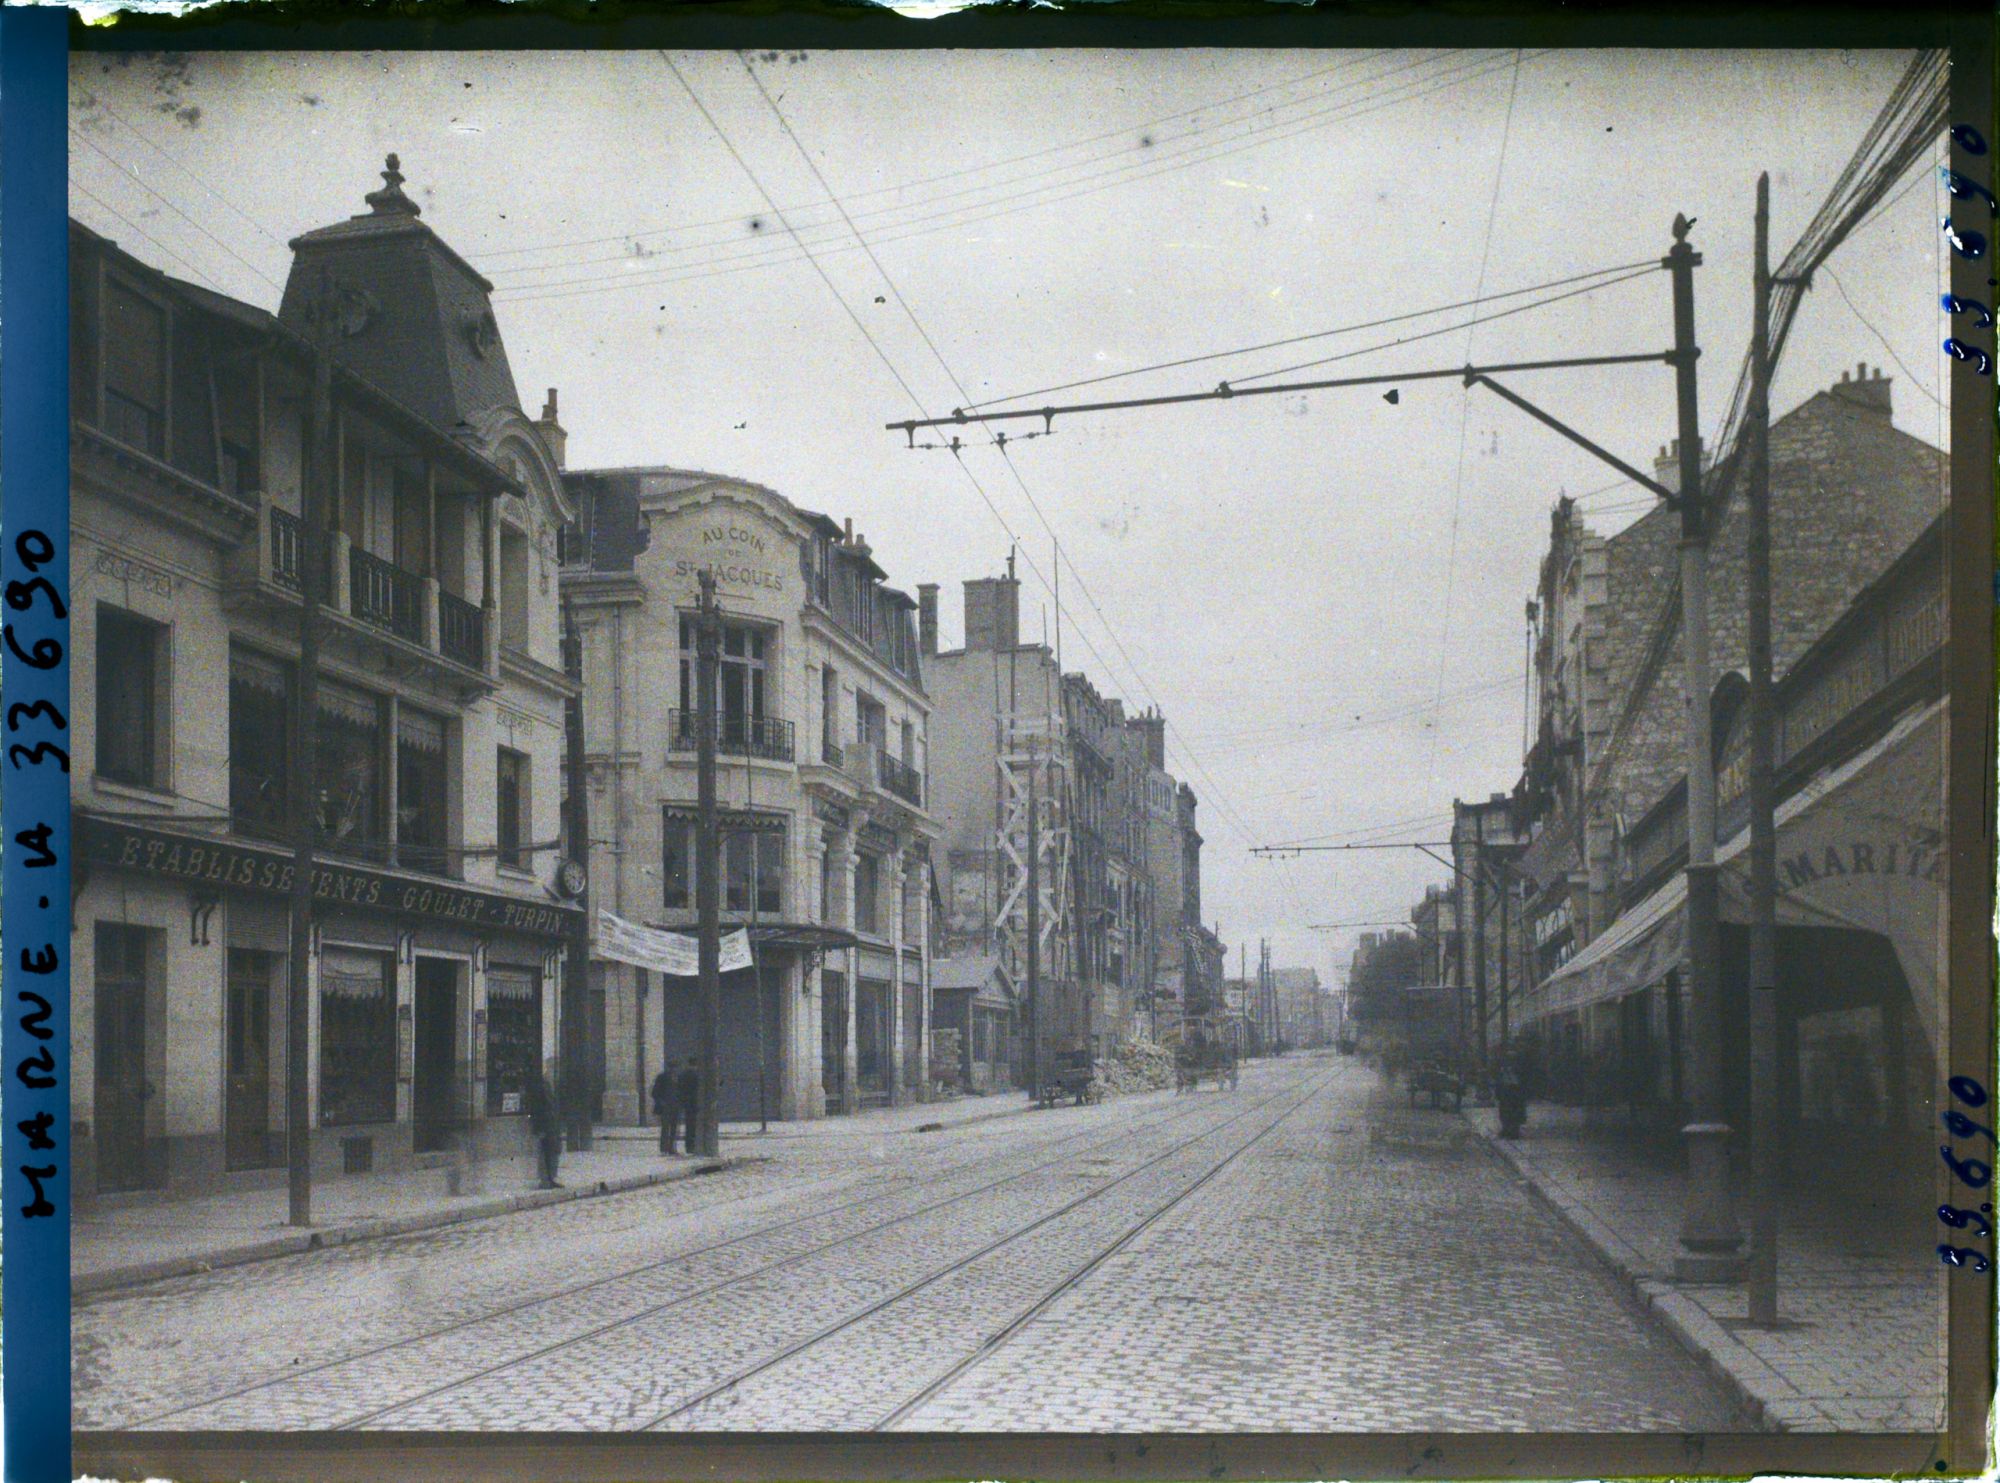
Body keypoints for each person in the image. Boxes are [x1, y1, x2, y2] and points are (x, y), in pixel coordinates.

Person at [527, 1059, 563, 1188]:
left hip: (552, 1124)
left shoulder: (549, 1084)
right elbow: (536, 1107)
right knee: (544, 1152)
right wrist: (538, 1127)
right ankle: (545, 1180)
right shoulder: (540, 1084)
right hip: (545, 1124)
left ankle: (551, 1178)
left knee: (553, 1151)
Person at [650, 1063, 681, 1156]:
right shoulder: (662, 1077)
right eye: (672, 1068)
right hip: (665, 1107)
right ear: (669, 1068)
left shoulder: (679, 1078)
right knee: (665, 1128)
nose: (674, 1070)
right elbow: (654, 1092)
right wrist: (661, 1102)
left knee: (674, 1129)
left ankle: (672, 1148)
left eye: (675, 1068)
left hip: (675, 1106)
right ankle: (664, 1149)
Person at [676, 1056, 702, 1155]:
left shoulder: (683, 1074)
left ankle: (689, 1146)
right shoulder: (698, 1075)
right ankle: (694, 1146)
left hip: (686, 1103)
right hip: (695, 1102)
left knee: (689, 1125)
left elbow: (679, 1089)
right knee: (695, 1126)